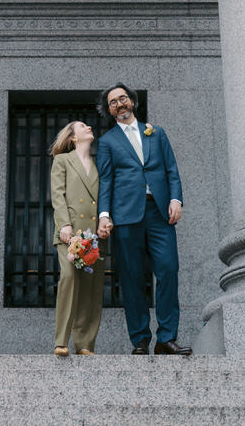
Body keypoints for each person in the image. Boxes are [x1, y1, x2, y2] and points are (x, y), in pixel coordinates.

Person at [95, 83, 191, 355]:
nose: (119, 104)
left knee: (168, 269)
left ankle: (166, 337)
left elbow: (171, 168)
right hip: (126, 217)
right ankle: (140, 339)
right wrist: (104, 215)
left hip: (159, 213)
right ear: (110, 110)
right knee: (132, 277)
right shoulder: (108, 142)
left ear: (132, 102)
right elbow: (106, 181)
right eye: (113, 102)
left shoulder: (156, 133)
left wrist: (176, 199)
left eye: (123, 98)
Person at [49, 120, 104, 356]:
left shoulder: (99, 164)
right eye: (82, 126)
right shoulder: (62, 160)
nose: (88, 127)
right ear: (73, 137)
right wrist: (64, 224)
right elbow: (57, 194)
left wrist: (106, 221)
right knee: (69, 278)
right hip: (69, 233)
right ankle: (61, 340)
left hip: (94, 234)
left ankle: (84, 345)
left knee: (91, 288)